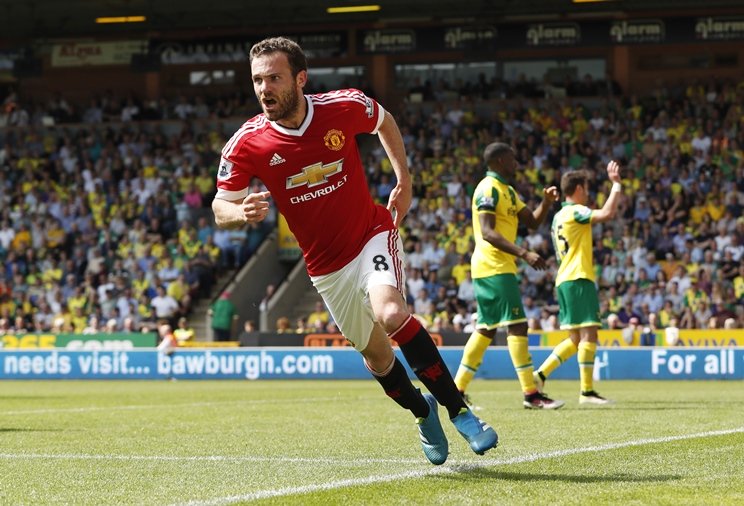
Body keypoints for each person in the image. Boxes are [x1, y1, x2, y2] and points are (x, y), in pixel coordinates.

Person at [211, 36, 496, 465]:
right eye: (257, 80)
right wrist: (238, 214)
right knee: (378, 357)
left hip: (370, 235)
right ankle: (424, 412)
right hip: (325, 268)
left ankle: (460, 409)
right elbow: (219, 206)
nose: (264, 89)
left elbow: (385, 121)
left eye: (274, 77)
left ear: (300, 78)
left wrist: (405, 180)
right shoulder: (245, 143)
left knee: (391, 314)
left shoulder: (342, 106)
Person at [453, 142, 565, 410]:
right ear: (501, 161)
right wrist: (524, 253)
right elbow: (488, 232)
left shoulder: (509, 192)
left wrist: (547, 202)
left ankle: (455, 390)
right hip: (493, 266)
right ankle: (531, 394)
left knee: (487, 329)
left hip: (497, 267)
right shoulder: (487, 188)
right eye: (513, 160)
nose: (516, 164)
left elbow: (533, 221)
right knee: (517, 325)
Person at [534, 161, 623, 405]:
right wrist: (616, 185)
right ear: (578, 189)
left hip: (564, 278)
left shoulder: (558, 216)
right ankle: (587, 391)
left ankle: (539, 375)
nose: (588, 192)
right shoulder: (575, 211)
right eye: (586, 187)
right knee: (590, 333)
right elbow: (607, 214)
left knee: (575, 338)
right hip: (578, 277)